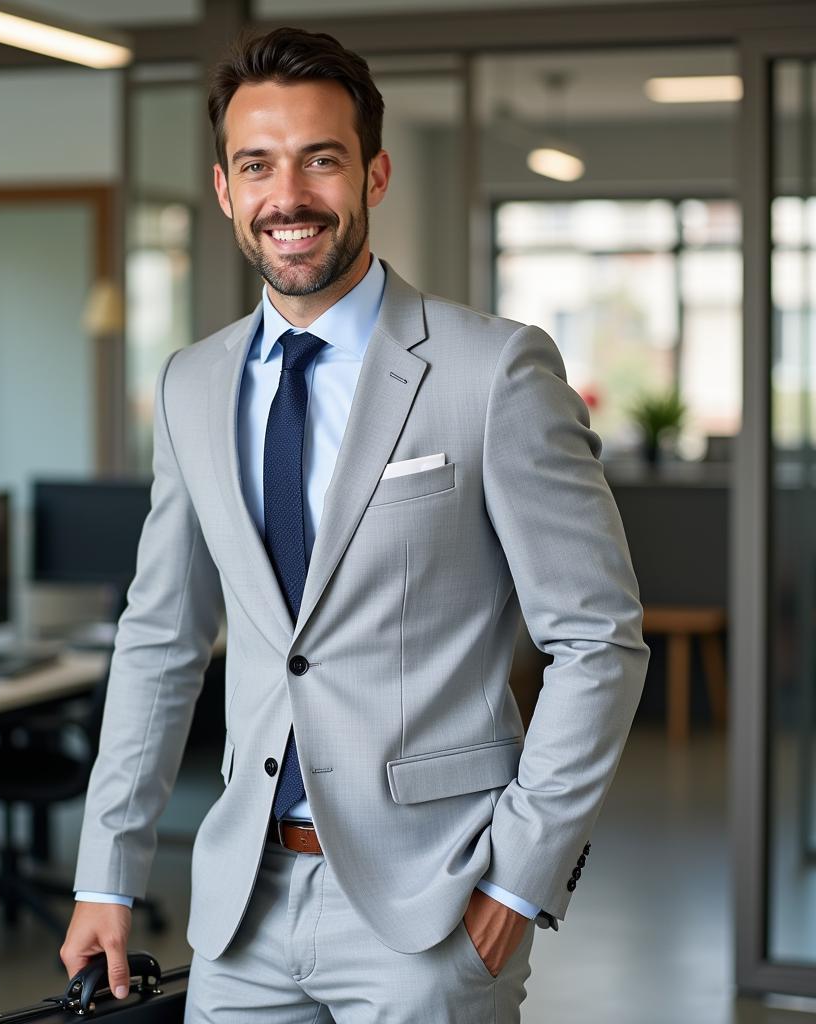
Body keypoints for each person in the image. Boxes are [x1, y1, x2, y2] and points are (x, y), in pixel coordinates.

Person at [61, 26, 649, 1023]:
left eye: (318, 159)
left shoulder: (492, 371)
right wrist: (106, 872)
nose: (286, 195)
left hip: (429, 915)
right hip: (239, 913)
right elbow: (161, 638)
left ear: (372, 174)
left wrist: (515, 884)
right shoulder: (192, 384)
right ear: (224, 189)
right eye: (258, 165)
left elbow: (597, 639)